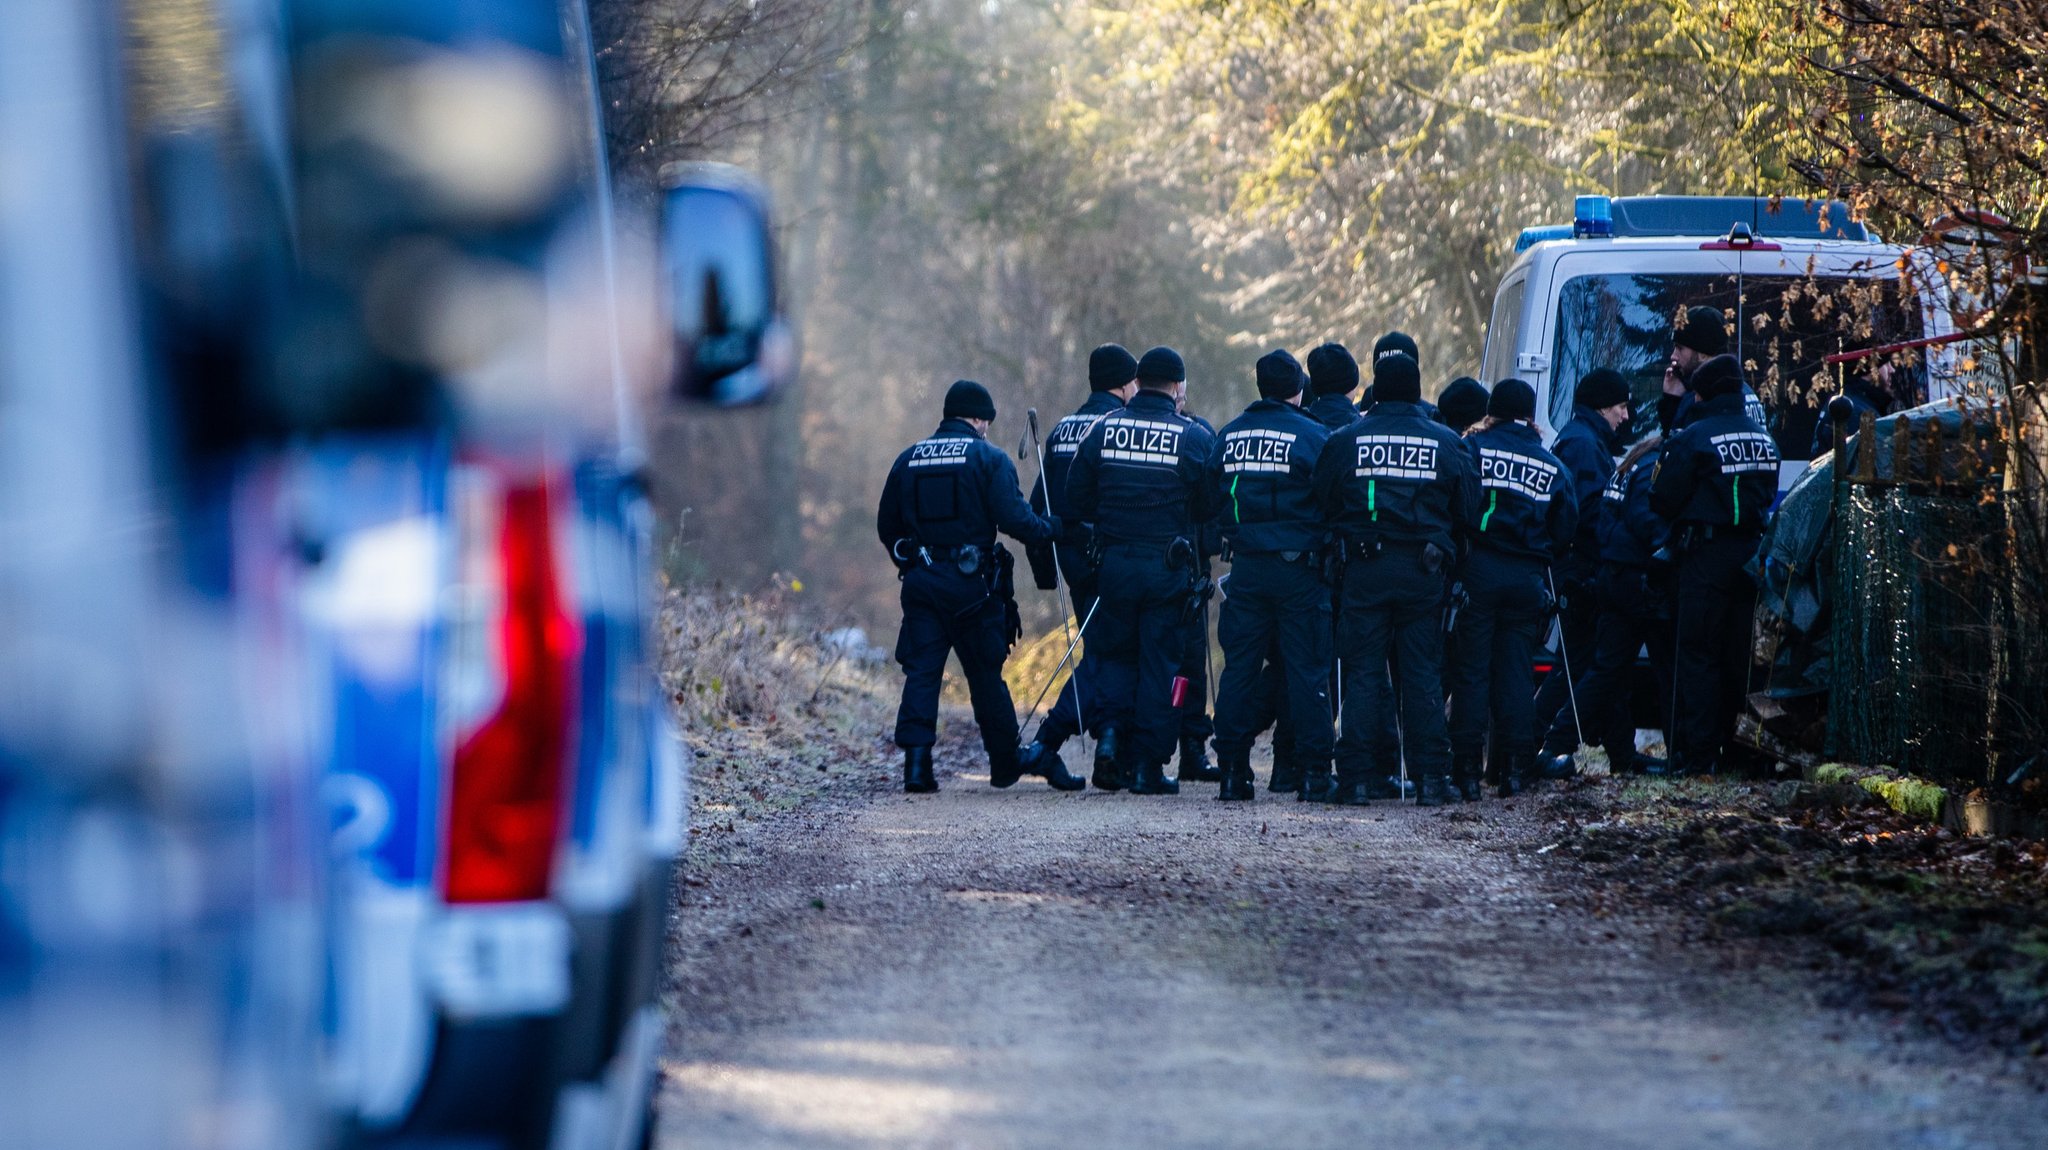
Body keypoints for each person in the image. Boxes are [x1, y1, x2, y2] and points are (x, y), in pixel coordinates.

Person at [878, 380, 1084, 793]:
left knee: (922, 673)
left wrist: (911, 560)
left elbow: (888, 525)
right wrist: (1058, 529)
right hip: (973, 588)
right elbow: (1016, 521)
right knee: (986, 676)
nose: (986, 428)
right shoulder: (988, 458)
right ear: (976, 419)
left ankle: (917, 769)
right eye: (985, 421)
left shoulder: (908, 459)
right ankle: (1004, 761)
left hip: (922, 582)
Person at [1312, 351, 1478, 806]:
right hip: (1424, 572)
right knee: (1422, 674)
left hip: (1363, 570)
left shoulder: (1348, 439)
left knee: (1363, 675)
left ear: (1377, 388)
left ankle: (1356, 782)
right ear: (1418, 387)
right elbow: (1469, 509)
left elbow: (1323, 496)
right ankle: (1431, 782)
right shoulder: (1447, 443)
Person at [1065, 346, 1218, 795]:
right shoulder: (1191, 437)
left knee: (1114, 659)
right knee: (1163, 668)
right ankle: (1149, 766)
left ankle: (1110, 741)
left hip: (1114, 566)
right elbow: (1210, 505)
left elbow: (1074, 500)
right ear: (1175, 387)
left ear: (1138, 382)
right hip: (1167, 570)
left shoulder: (1103, 429)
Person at [1206, 351, 1335, 802]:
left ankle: (1233, 772)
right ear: (1299, 389)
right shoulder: (1315, 435)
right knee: (1306, 670)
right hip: (1299, 570)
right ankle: (1316, 773)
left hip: (1246, 570)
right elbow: (1332, 496)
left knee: (1239, 670)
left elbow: (1209, 496)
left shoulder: (1229, 436)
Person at [1650, 354, 1778, 775]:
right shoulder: (1764, 438)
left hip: (1705, 558)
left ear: (1701, 394)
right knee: (1743, 658)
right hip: (1751, 559)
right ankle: (1743, 751)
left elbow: (1663, 497)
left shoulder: (1694, 437)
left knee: (1698, 654)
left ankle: (1701, 755)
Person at [1448, 380, 1576, 799]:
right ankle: (1514, 769)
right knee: (1517, 674)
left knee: (1472, 671)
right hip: (1527, 577)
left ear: (1492, 410)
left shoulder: (1473, 448)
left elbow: (1457, 504)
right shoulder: (1552, 465)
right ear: (1530, 416)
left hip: (1479, 570)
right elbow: (1565, 526)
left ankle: (1466, 771)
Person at [1019, 345, 1138, 783]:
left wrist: (1047, 571)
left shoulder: (1064, 427)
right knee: (1113, 652)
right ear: (1126, 384)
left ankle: (1109, 742)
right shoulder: (1121, 425)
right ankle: (1050, 741)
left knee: (1106, 648)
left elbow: (1039, 504)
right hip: (1110, 552)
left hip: (1070, 553)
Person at [1541, 431, 1675, 778]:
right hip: (1638, 580)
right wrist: (1670, 546)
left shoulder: (1630, 465)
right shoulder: (1651, 468)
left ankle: (1559, 741)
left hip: (1613, 575)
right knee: (1667, 668)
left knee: (1606, 670)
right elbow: (1647, 521)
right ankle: (1680, 753)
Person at [1532, 367, 1630, 762]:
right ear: (1602, 406)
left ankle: (1615, 751)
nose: (1626, 416)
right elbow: (1589, 513)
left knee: (1581, 662)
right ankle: (1542, 742)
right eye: (1621, 406)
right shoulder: (1585, 446)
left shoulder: (1581, 439)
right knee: (1578, 665)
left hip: (1577, 567)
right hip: (1583, 569)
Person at [1172, 375, 1223, 783]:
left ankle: (1190, 744)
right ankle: (1182, 743)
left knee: (1188, 663)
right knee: (1181, 660)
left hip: (1188, 564)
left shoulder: (1199, 431)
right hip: (1183, 563)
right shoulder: (1200, 433)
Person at [1660, 305, 1767, 435]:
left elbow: (1681, 449)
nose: (1673, 356)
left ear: (1703, 353)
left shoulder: (1707, 399)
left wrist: (1673, 404)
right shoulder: (1744, 392)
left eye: (1680, 348)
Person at [1809, 360, 1894, 457]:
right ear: (1872, 368)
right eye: (1886, 363)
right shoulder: (1857, 411)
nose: (1891, 370)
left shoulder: (1853, 401)